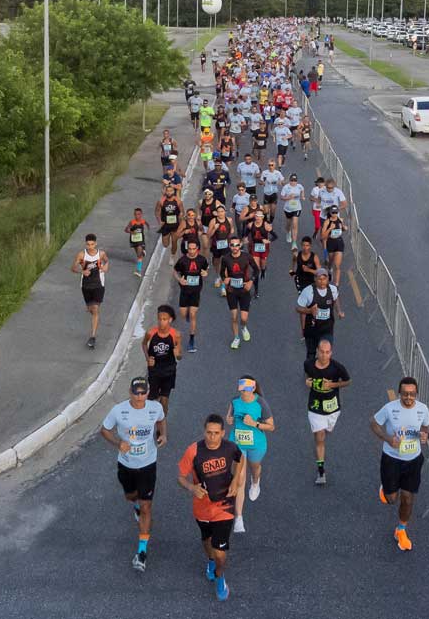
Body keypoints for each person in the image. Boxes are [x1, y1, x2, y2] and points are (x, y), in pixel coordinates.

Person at [100, 377, 167, 573]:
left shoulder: (155, 408)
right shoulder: (119, 410)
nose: (139, 396)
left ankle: (142, 552)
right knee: (131, 496)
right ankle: (135, 505)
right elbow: (104, 430)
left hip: (148, 464)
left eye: (143, 392)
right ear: (130, 392)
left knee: (147, 506)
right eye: (136, 392)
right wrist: (117, 443)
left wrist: (163, 434)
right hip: (126, 464)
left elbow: (162, 420)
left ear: (147, 393)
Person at [178, 414, 245, 601]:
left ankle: (220, 575)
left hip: (224, 506)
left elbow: (240, 458)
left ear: (223, 433)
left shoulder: (230, 447)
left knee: (220, 552)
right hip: (202, 507)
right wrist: (191, 487)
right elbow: (181, 477)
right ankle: (210, 561)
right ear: (204, 431)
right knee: (207, 541)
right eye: (209, 433)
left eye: (216, 433)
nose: (212, 437)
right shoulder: (194, 451)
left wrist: (236, 481)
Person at [371, 377, 429, 551]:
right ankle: (386, 488)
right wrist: (388, 439)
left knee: (407, 497)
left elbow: (427, 427)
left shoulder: (423, 409)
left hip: (414, 460)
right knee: (391, 499)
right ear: (399, 394)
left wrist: (426, 435)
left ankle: (401, 530)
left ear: (416, 394)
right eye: (405, 394)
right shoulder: (390, 409)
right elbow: (373, 423)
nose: (408, 397)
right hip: (392, 459)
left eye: (412, 394)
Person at [225, 376, 275, 534]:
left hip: (256, 444)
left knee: (255, 468)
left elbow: (272, 426)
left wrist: (254, 424)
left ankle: (256, 481)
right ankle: (238, 518)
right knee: (239, 478)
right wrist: (229, 419)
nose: (243, 394)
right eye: (242, 390)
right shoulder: (235, 400)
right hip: (238, 443)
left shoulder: (261, 403)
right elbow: (229, 417)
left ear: (253, 389)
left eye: (246, 390)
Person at [304, 339, 350, 486]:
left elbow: (347, 381)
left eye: (327, 352)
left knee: (326, 433)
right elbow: (308, 376)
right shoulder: (308, 364)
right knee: (320, 437)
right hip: (315, 407)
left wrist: (333, 384)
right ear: (317, 351)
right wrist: (308, 382)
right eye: (322, 352)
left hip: (332, 408)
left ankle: (322, 441)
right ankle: (321, 471)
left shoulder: (337, 368)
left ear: (331, 352)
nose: (324, 355)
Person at [142, 304, 182, 417]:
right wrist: (147, 358)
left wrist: (177, 354)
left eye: (164, 319)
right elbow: (144, 344)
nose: (161, 322)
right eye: (159, 319)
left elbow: (180, 356)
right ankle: (150, 420)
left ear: (170, 320)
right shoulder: (150, 333)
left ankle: (161, 427)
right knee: (152, 399)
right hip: (154, 371)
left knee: (164, 400)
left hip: (169, 371)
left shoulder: (176, 335)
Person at [71, 234, 109, 349]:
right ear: (85, 244)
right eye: (88, 244)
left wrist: (106, 266)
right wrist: (81, 272)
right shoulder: (82, 255)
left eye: (92, 244)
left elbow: (106, 261)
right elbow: (73, 268)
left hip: (99, 285)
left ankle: (93, 336)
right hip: (86, 286)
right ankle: (92, 313)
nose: (90, 246)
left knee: (96, 309)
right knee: (90, 309)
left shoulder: (101, 254)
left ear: (96, 244)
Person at [296, 268, 342, 360]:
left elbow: (336, 299)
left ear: (328, 279)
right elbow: (298, 308)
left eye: (324, 279)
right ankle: (308, 373)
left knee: (325, 353)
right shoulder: (308, 291)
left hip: (327, 329)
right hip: (312, 329)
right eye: (319, 279)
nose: (322, 281)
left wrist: (339, 311)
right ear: (315, 279)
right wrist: (309, 311)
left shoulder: (332, 289)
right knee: (311, 355)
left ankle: (324, 372)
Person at [220, 235, 256, 349]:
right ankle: (236, 338)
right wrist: (224, 279)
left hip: (244, 289)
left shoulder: (247, 257)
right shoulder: (225, 258)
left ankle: (243, 327)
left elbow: (256, 270)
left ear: (240, 245)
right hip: (231, 290)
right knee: (234, 317)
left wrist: (251, 281)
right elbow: (222, 272)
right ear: (229, 246)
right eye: (232, 245)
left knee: (243, 318)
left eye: (237, 245)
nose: (235, 247)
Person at [174, 240, 208, 353]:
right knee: (183, 315)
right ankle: (187, 313)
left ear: (197, 249)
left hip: (195, 291)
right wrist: (179, 279)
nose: (192, 251)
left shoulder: (202, 259)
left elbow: (206, 269)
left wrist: (205, 273)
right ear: (187, 249)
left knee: (193, 315)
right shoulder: (182, 260)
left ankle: (191, 341)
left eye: (194, 249)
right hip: (184, 291)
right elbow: (175, 271)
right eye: (190, 249)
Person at [205, 204, 235, 292]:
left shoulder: (229, 220)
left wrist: (230, 237)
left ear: (225, 212)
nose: (221, 213)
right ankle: (218, 276)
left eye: (222, 211)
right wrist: (214, 229)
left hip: (226, 245)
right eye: (219, 212)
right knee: (216, 262)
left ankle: (223, 284)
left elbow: (231, 230)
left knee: (225, 262)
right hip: (216, 245)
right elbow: (208, 235)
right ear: (216, 213)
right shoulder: (213, 221)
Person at [319, 205, 348, 288]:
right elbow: (322, 236)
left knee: (337, 265)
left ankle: (336, 285)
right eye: (333, 212)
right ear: (330, 213)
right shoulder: (327, 222)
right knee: (331, 262)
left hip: (339, 243)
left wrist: (344, 228)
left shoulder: (340, 220)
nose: (335, 214)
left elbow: (341, 229)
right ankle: (329, 269)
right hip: (330, 243)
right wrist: (329, 229)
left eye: (336, 212)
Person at [280, 172, 307, 247]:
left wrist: (302, 196)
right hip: (288, 209)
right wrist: (288, 197)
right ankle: (288, 233)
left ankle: (294, 242)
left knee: (295, 224)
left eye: (294, 180)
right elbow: (281, 197)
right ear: (289, 180)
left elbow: (302, 190)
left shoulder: (299, 186)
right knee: (288, 224)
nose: (293, 182)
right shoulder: (286, 187)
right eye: (292, 180)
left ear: (297, 181)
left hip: (297, 208)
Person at [157, 185, 183, 255]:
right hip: (165, 225)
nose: (169, 193)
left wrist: (181, 218)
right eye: (167, 191)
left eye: (170, 191)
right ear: (165, 191)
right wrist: (160, 221)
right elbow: (157, 212)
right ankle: (169, 244)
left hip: (175, 224)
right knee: (165, 244)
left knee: (174, 241)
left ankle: (172, 255)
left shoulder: (178, 201)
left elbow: (182, 211)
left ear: (173, 191)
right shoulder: (161, 201)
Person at [125, 208, 149, 277]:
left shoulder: (143, 221)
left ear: (141, 214)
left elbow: (146, 224)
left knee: (139, 256)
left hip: (141, 240)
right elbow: (126, 229)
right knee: (138, 254)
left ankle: (138, 270)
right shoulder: (132, 222)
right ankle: (143, 252)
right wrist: (131, 232)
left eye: (138, 214)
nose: (137, 216)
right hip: (133, 240)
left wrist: (148, 227)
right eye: (135, 214)